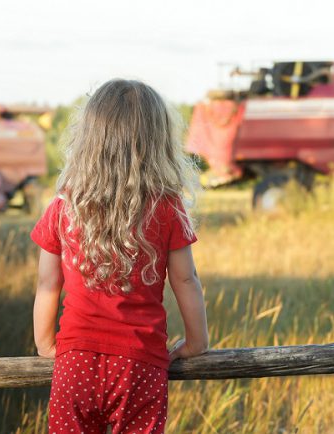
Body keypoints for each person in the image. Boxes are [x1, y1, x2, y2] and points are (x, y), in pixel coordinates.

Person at [30, 79, 209, 434]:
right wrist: (197, 341)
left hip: (75, 362)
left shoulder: (65, 207)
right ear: (157, 141)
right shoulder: (167, 207)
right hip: (140, 363)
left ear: (89, 139)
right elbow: (186, 280)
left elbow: (48, 283)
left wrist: (45, 342)